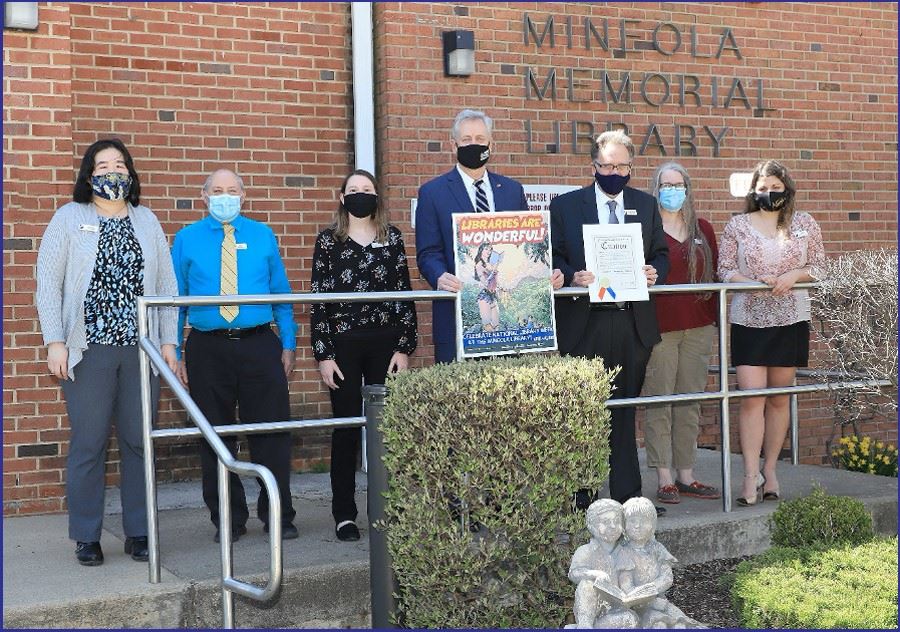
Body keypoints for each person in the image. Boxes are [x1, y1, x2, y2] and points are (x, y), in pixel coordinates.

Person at [35, 138, 179, 566]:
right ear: (89, 174)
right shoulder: (69, 218)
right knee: (90, 442)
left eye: (120, 164)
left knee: (139, 443)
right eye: (103, 165)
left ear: (130, 173)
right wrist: (55, 340)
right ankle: (86, 535)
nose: (112, 171)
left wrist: (169, 343)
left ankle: (140, 532)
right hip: (88, 349)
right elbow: (48, 284)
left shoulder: (147, 220)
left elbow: (167, 287)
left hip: (141, 350)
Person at [172, 168, 299, 541]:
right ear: (204, 196)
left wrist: (288, 344)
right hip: (207, 347)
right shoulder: (185, 239)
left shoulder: (262, 235)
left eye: (232, 191)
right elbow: (174, 301)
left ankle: (279, 514)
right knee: (214, 435)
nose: (224, 197)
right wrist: (175, 351)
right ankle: (228, 519)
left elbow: (282, 296)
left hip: (260, 344)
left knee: (271, 432)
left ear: (244, 197)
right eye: (217, 190)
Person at [550, 130, 669, 515]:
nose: (614, 171)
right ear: (593, 167)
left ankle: (627, 496)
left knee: (624, 409)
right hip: (585, 323)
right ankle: (582, 496)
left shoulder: (646, 205)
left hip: (632, 323)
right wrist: (571, 275)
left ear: (631, 167)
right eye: (606, 165)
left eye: (621, 165)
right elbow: (552, 254)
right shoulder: (566, 206)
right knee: (584, 409)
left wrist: (655, 272)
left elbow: (662, 253)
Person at [310, 169, 417, 541]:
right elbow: (318, 299)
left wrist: (404, 348)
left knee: (387, 430)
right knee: (346, 430)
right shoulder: (328, 242)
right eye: (353, 190)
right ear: (342, 198)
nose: (360, 195)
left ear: (377, 196)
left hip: (385, 346)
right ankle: (344, 514)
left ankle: (383, 510)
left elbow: (404, 294)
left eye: (366, 189)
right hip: (342, 347)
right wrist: (323, 354)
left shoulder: (393, 239)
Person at [415, 108, 563, 362]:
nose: (474, 145)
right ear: (454, 145)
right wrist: (439, 276)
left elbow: (526, 245)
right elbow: (428, 252)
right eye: (466, 140)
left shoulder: (512, 190)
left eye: (480, 140)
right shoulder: (432, 193)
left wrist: (544, 273)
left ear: (490, 144)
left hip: (509, 328)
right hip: (456, 315)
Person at [718, 160, 824, 506]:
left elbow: (820, 267)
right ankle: (749, 476)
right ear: (753, 191)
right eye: (762, 188)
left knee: (780, 398)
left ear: (787, 188)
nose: (769, 193)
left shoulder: (805, 223)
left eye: (775, 187)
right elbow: (725, 270)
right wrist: (751, 283)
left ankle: (771, 470)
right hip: (749, 319)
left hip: (791, 318)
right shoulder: (737, 225)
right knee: (751, 397)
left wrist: (795, 276)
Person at [641, 162, 721, 505]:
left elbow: (715, 274)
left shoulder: (702, 229)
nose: (672, 190)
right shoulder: (645, 228)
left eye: (678, 184)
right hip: (659, 328)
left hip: (698, 327)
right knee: (660, 402)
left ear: (687, 188)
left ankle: (686, 474)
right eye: (665, 184)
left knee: (688, 402)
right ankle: (664, 476)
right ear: (655, 188)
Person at [568, 499, 640, 629]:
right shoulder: (585, 550)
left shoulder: (623, 554)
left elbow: (626, 584)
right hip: (590, 608)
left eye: (616, 521)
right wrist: (594, 574)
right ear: (592, 526)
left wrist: (635, 594)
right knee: (586, 585)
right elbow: (574, 574)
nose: (612, 526)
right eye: (606, 522)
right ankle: (585, 625)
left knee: (630, 619)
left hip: (613, 611)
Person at [472, 242, 502, 331]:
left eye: (490, 249)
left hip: (493, 296)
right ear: (481, 250)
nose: (488, 251)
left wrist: (499, 287)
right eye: (486, 249)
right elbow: (484, 281)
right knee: (488, 326)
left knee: (496, 325)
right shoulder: (479, 265)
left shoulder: (492, 263)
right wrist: (491, 273)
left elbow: (496, 280)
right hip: (484, 295)